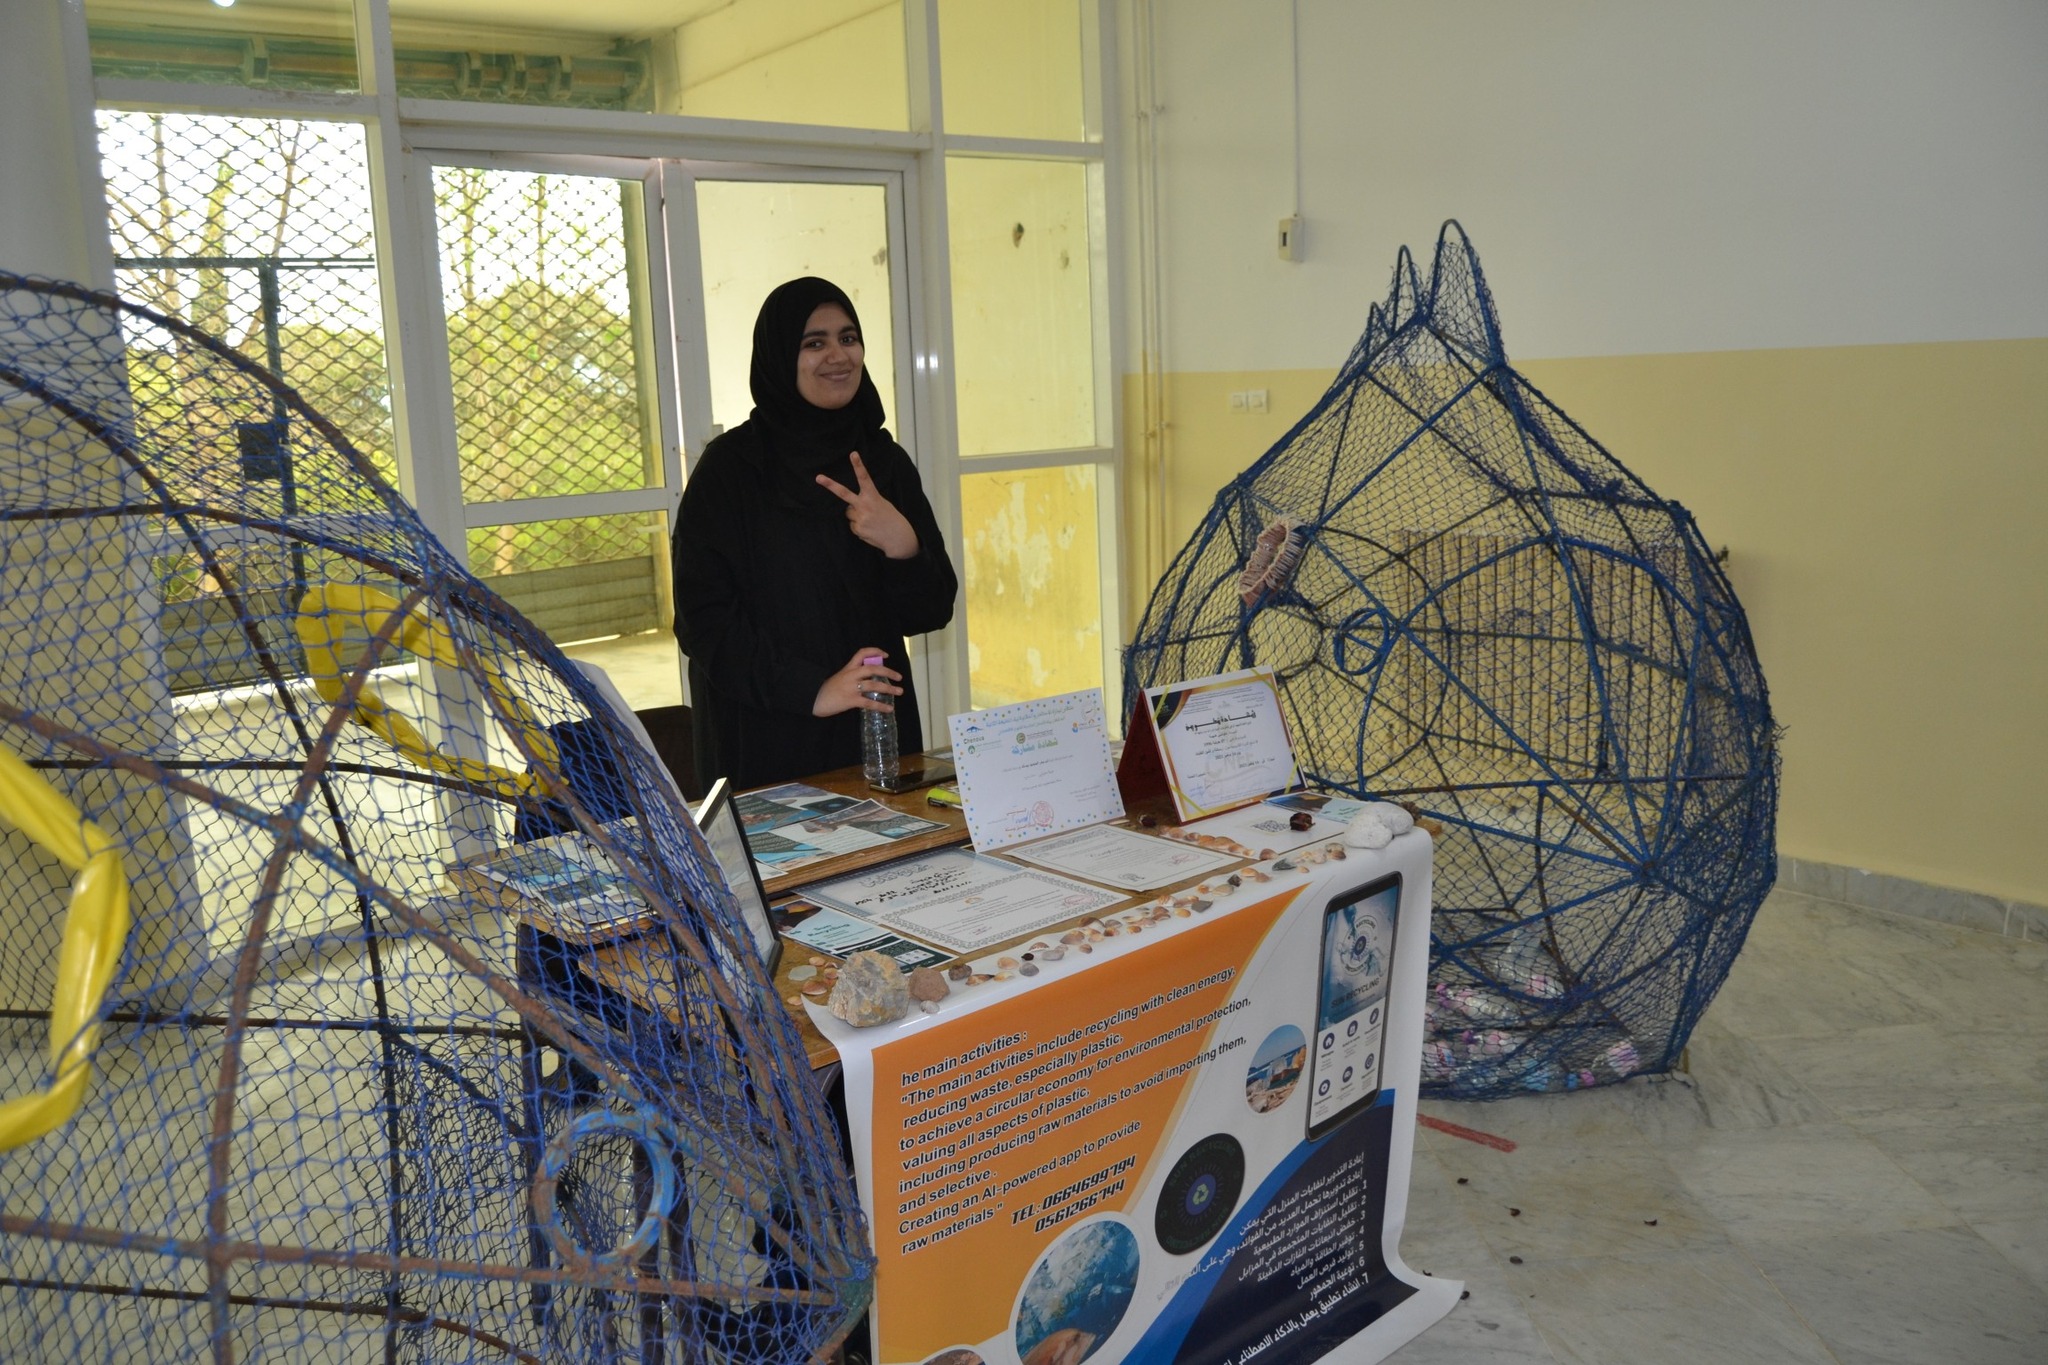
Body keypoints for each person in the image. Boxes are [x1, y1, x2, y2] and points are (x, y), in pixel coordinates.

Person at [673, 277, 957, 790]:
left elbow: (932, 611)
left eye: (848, 338)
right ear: (781, 356)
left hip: (874, 730)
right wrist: (813, 690)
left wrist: (904, 546)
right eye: (814, 342)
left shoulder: (883, 461)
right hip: (765, 731)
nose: (838, 356)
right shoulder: (731, 469)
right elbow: (703, 621)